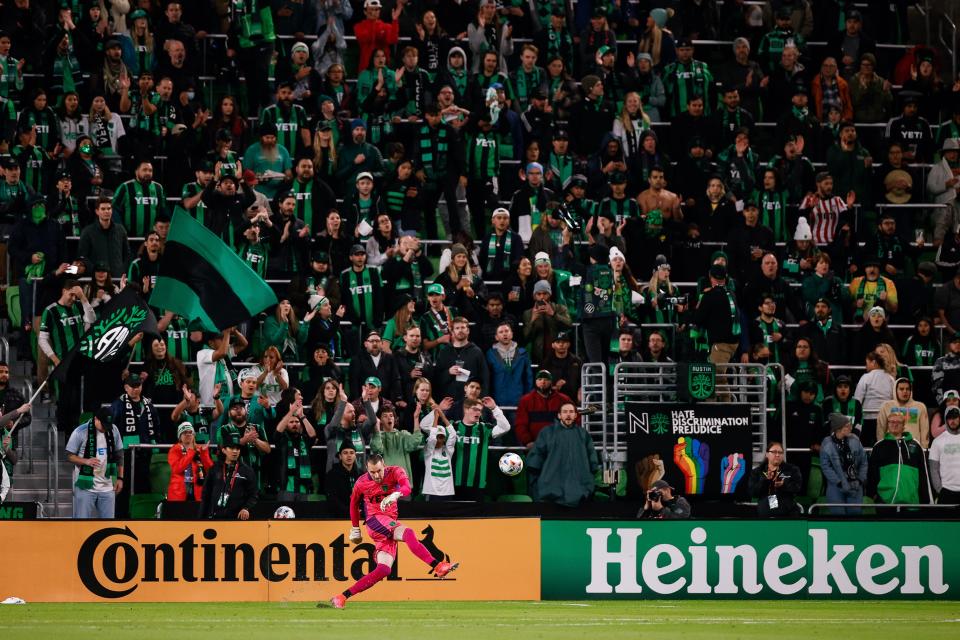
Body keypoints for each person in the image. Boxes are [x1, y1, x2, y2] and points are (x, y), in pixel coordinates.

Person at [327, 453, 458, 608]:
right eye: (372, 472)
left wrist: (396, 494)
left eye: (379, 471)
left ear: (384, 465)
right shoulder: (361, 483)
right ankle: (437, 566)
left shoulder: (395, 472)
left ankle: (341, 597)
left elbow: (407, 488)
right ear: (367, 470)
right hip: (375, 521)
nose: (376, 475)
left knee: (383, 569)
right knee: (408, 533)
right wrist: (355, 527)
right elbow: (353, 504)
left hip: (389, 522)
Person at [526, 402, 598, 508]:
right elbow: (537, 456)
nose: (568, 415)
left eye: (571, 412)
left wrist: (592, 471)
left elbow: (591, 456)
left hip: (579, 485)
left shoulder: (583, 434)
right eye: (565, 412)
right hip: (551, 487)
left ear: (575, 415)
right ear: (559, 415)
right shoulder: (547, 432)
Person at [65, 408, 124, 519]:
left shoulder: (114, 429)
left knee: (108, 526)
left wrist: (120, 478)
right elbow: (69, 455)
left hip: (107, 486)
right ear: (96, 419)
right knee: (81, 525)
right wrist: (85, 461)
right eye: (103, 425)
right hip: (86, 487)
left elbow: (119, 455)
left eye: (108, 426)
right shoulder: (80, 431)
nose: (105, 429)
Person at [867, 413, 930, 506]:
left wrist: (925, 500)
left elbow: (923, 474)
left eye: (898, 422)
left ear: (903, 426)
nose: (894, 424)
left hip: (912, 503)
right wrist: (870, 495)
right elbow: (872, 474)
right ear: (887, 424)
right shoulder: (879, 446)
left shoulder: (915, 445)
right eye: (891, 421)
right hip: (885, 503)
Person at [200, 431, 258, 520]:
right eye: (231, 448)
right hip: (215, 518)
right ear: (223, 450)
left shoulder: (247, 471)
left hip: (237, 518)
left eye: (237, 448)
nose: (235, 451)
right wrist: (202, 517)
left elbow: (253, 494)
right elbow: (206, 494)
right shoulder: (214, 469)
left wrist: (246, 508)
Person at [820, 413, 868, 515]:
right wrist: (839, 482)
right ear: (838, 428)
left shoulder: (855, 440)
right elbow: (825, 466)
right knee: (838, 517)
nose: (850, 427)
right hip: (836, 487)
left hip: (855, 486)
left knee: (855, 515)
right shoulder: (827, 443)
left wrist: (860, 480)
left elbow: (864, 462)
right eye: (847, 426)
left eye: (850, 425)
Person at [748, 441, 802, 517]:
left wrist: (783, 485)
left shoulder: (792, 469)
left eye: (780, 452)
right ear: (767, 454)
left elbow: (797, 488)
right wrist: (765, 481)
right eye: (774, 452)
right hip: (765, 514)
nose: (777, 455)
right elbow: (753, 492)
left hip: (788, 514)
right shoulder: (757, 471)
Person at [370, 406, 422, 482]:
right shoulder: (378, 436)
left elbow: (416, 440)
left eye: (391, 416)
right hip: (386, 482)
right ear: (380, 420)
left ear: (395, 419)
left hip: (402, 481)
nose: (389, 418)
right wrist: (377, 429)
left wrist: (416, 418)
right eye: (385, 416)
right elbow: (378, 449)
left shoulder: (403, 435)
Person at [877, 378, 930, 449]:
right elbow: (881, 430)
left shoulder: (920, 407)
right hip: (891, 447)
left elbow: (924, 431)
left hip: (913, 448)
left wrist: (924, 449)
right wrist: (881, 447)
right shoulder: (886, 406)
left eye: (907, 389)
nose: (905, 391)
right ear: (895, 390)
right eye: (901, 389)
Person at [166, 422, 213, 502]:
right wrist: (190, 452)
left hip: (198, 493)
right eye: (184, 432)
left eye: (190, 432)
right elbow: (177, 469)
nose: (188, 434)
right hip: (178, 493)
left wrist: (204, 454)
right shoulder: (175, 449)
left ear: (194, 435)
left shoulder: (200, 449)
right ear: (180, 436)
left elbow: (210, 470)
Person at [930, 406, 960, 504]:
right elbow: (933, 469)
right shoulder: (937, 441)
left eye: (955, 417)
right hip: (946, 492)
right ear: (946, 419)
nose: (952, 421)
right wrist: (940, 490)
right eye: (949, 418)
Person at [325, 440, 362, 517]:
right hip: (339, 516)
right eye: (345, 453)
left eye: (352, 453)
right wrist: (348, 511)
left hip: (359, 514)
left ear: (355, 456)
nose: (349, 455)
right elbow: (332, 498)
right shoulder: (332, 474)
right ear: (340, 456)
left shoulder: (361, 475)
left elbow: (366, 496)